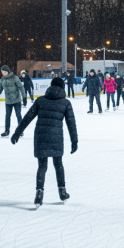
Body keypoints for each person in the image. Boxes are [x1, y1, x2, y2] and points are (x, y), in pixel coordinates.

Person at [11, 77, 78, 209]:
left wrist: (17, 132)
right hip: (56, 137)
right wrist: (74, 140)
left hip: (41, 137)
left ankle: (39, 193)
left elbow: (28, 117)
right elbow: (71, 123)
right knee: (58, 164)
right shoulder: (65, 103)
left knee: (42, 166)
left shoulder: (41, 100)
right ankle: (62, 192)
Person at [0, 65, 24, 138]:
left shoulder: (15, 78)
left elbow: (21, 87)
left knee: (18, 115)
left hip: (16, 101)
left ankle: (20, 130)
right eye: (2, 72)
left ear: (7, 71)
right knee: (7, 116)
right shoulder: (2, 80)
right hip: (8, 102)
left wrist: (24, 97)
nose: (2, 73)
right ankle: (7, 131)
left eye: (3, 72)